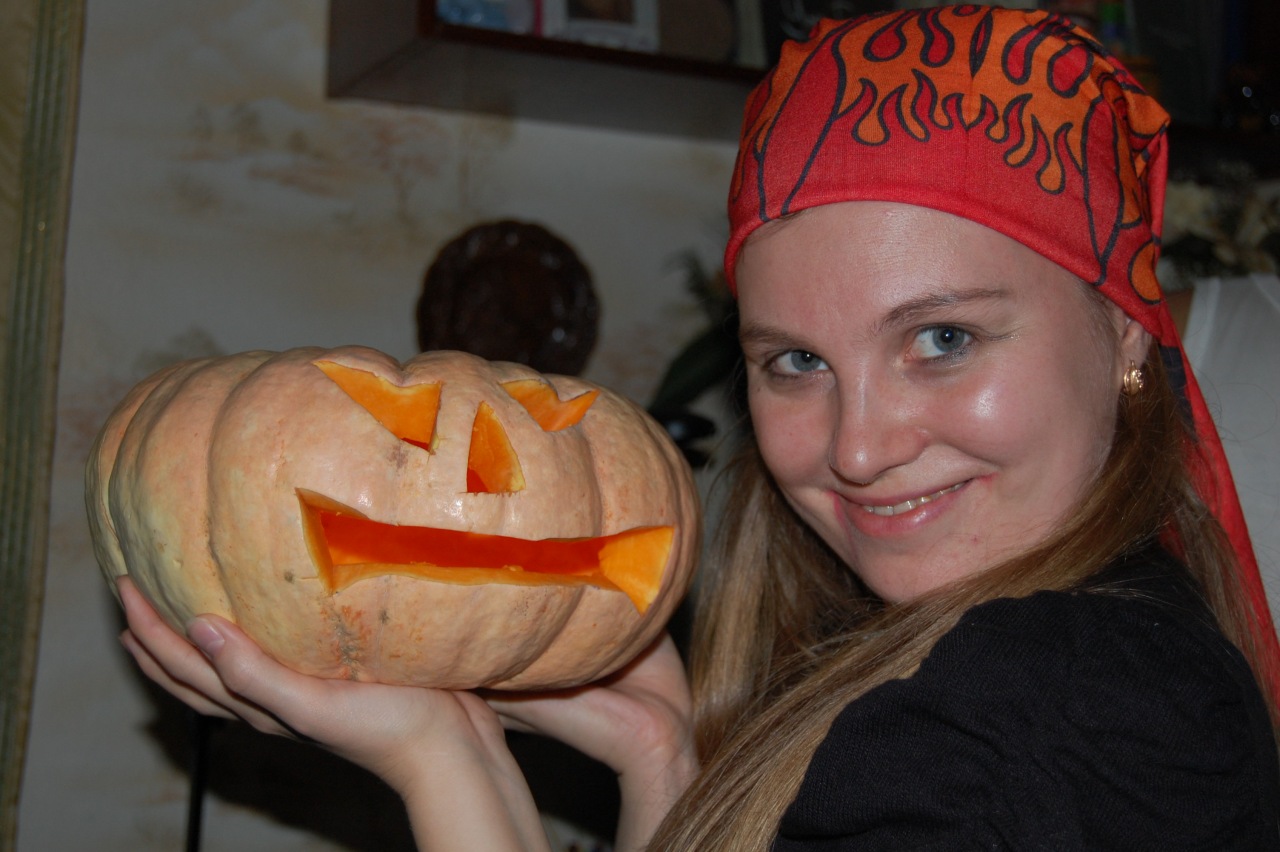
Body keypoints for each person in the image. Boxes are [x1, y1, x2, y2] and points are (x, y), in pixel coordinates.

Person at [117, 6, 1280, 849]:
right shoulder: (1070, 656)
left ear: (1124, 333)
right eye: (794, 363)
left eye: (941, 338)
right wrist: (663, 760)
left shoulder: (1045, 709)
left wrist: (443, 769)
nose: (857, 448)